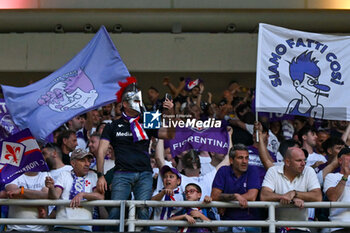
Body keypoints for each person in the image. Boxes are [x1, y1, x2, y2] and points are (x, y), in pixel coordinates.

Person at [96, 78, 174, 231]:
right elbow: (101, 151)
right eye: (135, 100)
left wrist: (171, 113)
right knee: (116, 212)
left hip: (145, 173)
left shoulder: (148, 119)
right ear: (125, 104)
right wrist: (100, 175)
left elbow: (169, 135)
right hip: (122, 173)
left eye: (140, 100)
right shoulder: (112, 125)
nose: (140, 103)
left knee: (144, 211)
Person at [260, 147, 322, 232]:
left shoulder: (309, 171)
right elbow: (264, 195)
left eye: (304, 160)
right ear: (287, 162)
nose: (303, 164)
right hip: (276, 227)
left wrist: (294, 193)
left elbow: (318, 197)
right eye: (299, 160)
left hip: (301, 228)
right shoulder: (273, 171)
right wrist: (286, 197)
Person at [45, 148, 104, 232]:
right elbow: (55, 196)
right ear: (73, 163)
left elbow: (100, 196)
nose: (87, 164)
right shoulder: (64, 174)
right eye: (83, 160)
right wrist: (51, 188)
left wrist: (83, 194)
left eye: (89, 161)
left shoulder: (93, 176)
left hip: (84, 227)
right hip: (62, 226)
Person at [211, 144, 261, 233]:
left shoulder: (252, 170)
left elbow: (252, 196)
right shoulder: (223, 170)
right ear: (231, 160)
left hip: (249, 223)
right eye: (240, 158)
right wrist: (235, 196)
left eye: (246, 158)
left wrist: (226, 199)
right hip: (226, 222)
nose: (245, 161)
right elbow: (214, 196)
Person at [324, 147, 350, 233]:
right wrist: (345, 176)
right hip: (339, 226)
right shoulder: (331, 177)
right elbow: (333, 197)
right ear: (340, 161)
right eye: (349, 156)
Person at [150, 165, 183, 232]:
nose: (168, 179)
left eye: (171, 176)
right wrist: (163, 193)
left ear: (178, 181)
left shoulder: (181, 195)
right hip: (155, 229)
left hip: (172, 230)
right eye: (165, 177)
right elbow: (151, 201)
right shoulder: (158, 192)